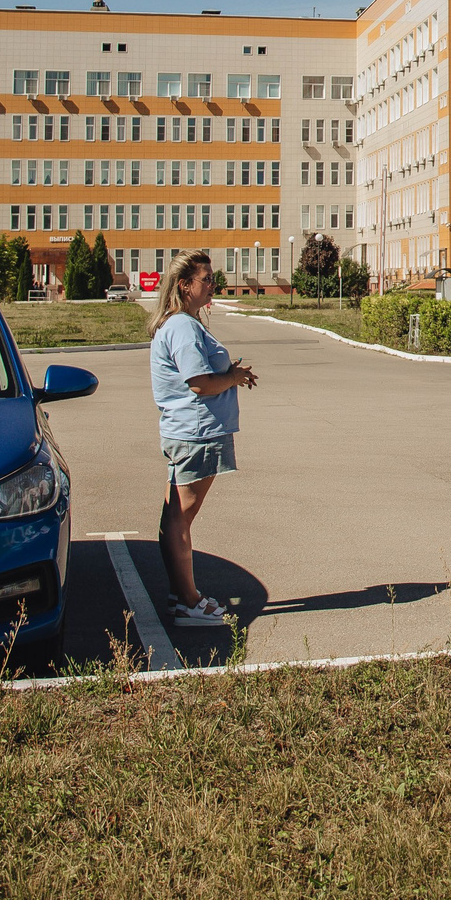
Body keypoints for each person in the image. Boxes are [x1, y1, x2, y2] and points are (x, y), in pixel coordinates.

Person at [148, 249, 256, 628]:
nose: (213, 284)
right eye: (206, 279)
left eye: (212, 278)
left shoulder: (185, 323)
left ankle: (183, 596)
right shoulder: (181, 327)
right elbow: (199, 384)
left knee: (177, 516)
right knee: (180, 519)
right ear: (184, 285)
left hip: (193, 432)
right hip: (196, 434)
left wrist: (231, 371)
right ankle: (189, 603)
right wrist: (234, 378)